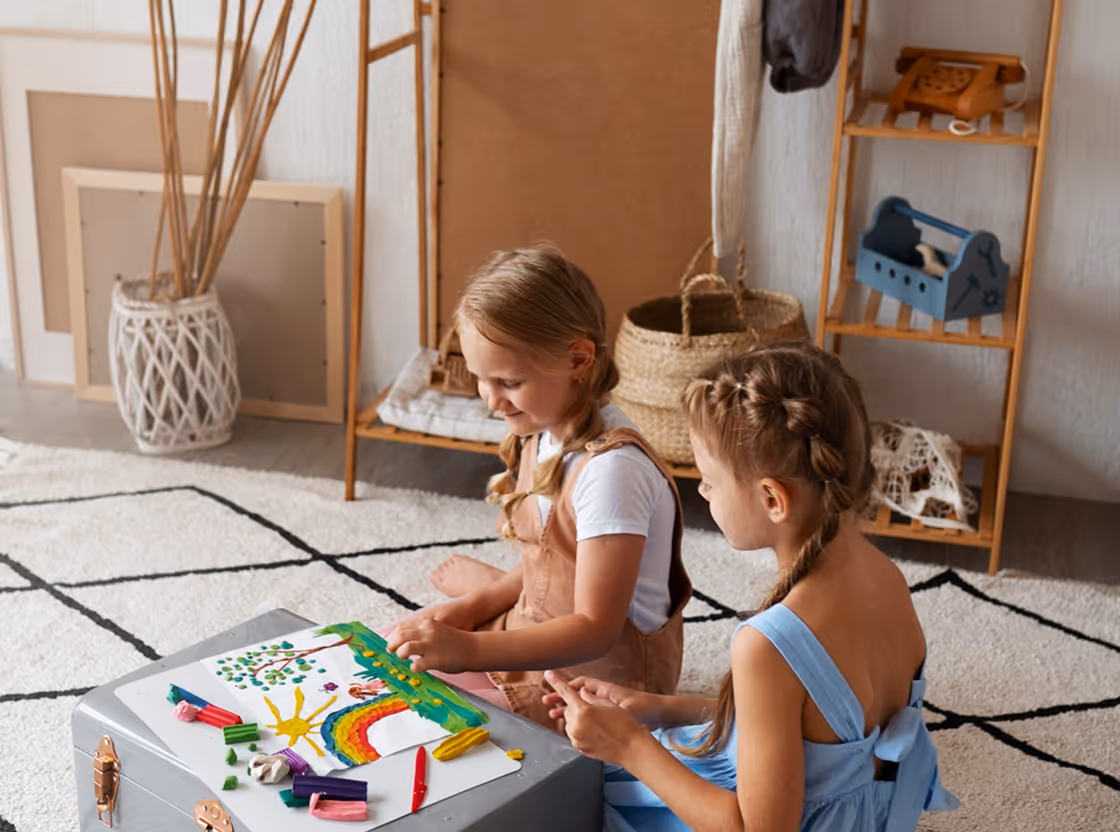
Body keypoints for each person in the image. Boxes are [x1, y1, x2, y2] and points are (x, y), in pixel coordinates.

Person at [543, 342, 958, 831]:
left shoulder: (770, 644)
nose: (701, 491)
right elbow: (816, 732)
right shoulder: (885, 576)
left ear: (772, 499)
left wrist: (628, 746)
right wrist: (658, 709)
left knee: (596, 798)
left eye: (709, 480)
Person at [386, 244, 692, 728]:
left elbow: (595, 630)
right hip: (544, 634)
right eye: (480, 379)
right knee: (391, 652)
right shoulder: (543, 425)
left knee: (420, 716)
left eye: (507, 381)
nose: (490, 400)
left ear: (578, 360)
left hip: (602, 682)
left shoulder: (613, 472)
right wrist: (474, 606)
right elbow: (550, 563)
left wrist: (467, 648)